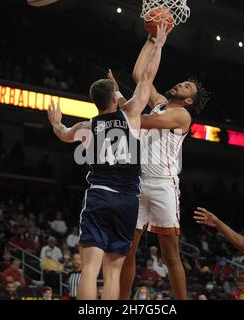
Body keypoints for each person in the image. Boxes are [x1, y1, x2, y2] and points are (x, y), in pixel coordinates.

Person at [47, 24, 169, 300]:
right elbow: (148, 76)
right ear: (115, 98)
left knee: (90, 269)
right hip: (128, 201)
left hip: (100, 196)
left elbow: (64, 135)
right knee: (113, 272)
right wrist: (158, 45)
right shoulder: (132, 115)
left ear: (94, 102)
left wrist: (56, 122)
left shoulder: (87, 125)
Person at [114, 33, 209, 301]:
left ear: (189, 100)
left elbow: (142, 122)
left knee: (170, 254)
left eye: (186, 87)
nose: (180, 84)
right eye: (183, 82)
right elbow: (139, 74)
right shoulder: (160, 103)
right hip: (138, 182)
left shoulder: (182, 115)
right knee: (128, 249)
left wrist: (120, 98)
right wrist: (152, 39)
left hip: (162, 185)